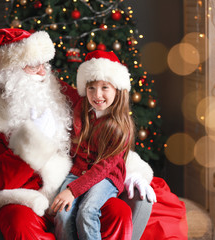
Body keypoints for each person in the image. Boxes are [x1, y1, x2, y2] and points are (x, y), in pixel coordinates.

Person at [0, 28, 154, 240]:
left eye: (44, 64)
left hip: (74, 186)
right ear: (10, 72)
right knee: (18, 223)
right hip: (25, 199)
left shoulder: (59, 92)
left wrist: (130, 170)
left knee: (117, 213)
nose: (43, 73)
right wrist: (33, 144)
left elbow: (105, 132)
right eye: (33, 66)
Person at [51, 50, 155, 240]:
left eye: (105, 87)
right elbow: (61, 87)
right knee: (62, 212)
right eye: (91, 88)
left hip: (105, 176)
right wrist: (42, 74)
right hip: (78, 171)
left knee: (87, 211)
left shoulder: (120, 127)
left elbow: (103, 168)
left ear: (117, 89)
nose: (97, 95)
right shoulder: (82, 107)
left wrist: (72, 190)